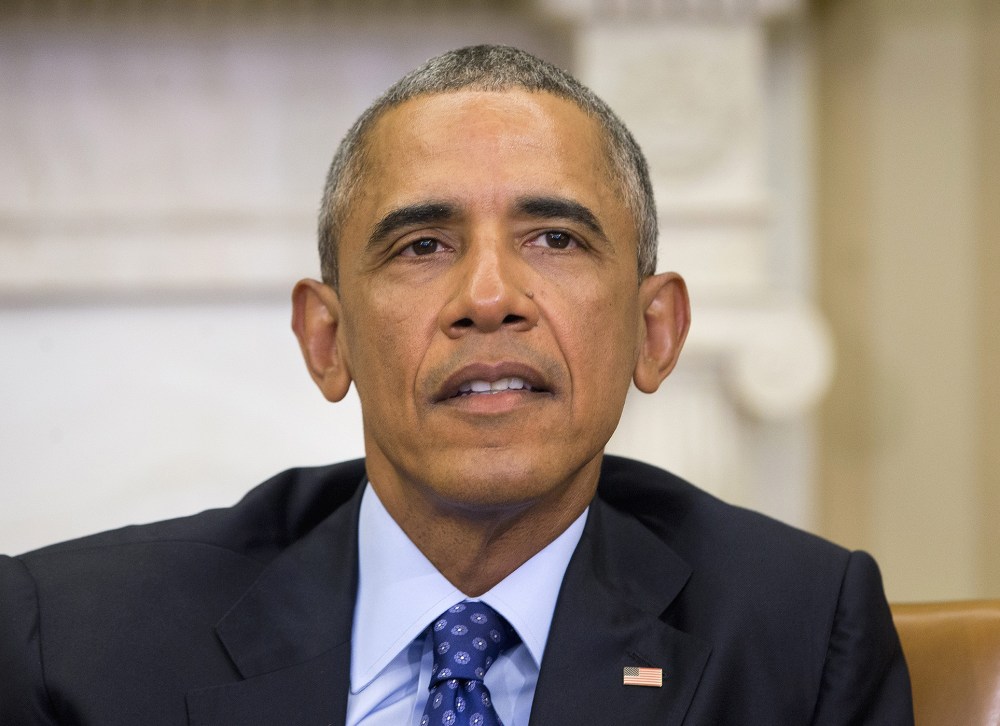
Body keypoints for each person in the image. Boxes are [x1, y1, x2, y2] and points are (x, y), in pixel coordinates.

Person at [0, 45, 912, 725]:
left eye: (555, 239)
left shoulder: (798, 640)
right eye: (421, 246)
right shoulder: (72, 647)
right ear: (328, 339)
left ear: (654, 330)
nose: (487, 299)